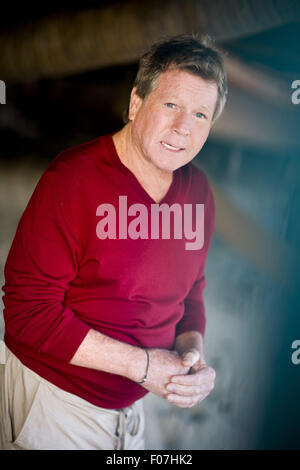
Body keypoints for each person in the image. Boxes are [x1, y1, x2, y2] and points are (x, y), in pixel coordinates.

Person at [0, 34, 227, 450]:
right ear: (136, 102)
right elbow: (27, 313)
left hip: (131, 413)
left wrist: (192, 355)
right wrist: (144, 366)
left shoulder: (199, 192)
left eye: (200, 115)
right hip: (55, 403)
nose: (183, 128)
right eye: (171, 105)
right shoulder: (72, 179)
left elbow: (191, 295)